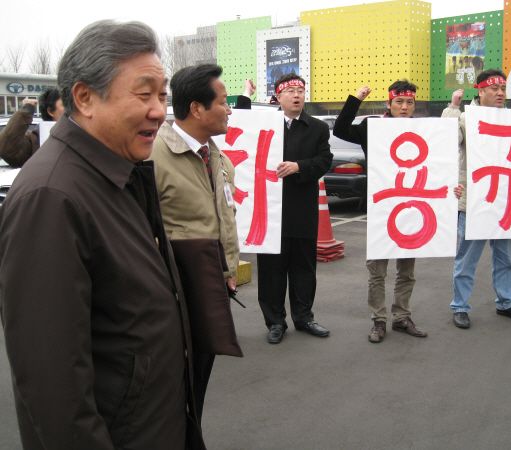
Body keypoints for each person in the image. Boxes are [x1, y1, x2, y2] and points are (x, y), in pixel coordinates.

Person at [0, 20, 206, 450]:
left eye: (162, 95)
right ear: (84, 98)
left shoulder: (118, 172)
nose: (159, 111)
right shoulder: (52, 197)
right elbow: (53, 387)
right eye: (144, 94)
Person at [149, 65, 254, 423]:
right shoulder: (152, 156)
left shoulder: (218, 158)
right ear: (196, 108)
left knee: (198, 381)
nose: (229, 110)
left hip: (213, 286)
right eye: (223, 102)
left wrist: (228, 270)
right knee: (171, 388)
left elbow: (225, 218)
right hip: (173, 293)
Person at [442, 69, 511, 329]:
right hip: (474, 203)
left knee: (505, 258)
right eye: (494, 89)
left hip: (505, 201)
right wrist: (452, 108)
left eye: (503, 89)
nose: (500, 93)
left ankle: (506, 302)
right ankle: (460, 306)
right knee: (467, 259)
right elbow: (446, 141)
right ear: (481, 90)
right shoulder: (465, 117)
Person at [333, 80, 427, 343]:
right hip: (381, 208)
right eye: (399, 102)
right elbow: (340, 129)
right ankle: (379, 320)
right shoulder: (371, 127)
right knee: (377, 270)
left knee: (407, 270)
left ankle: (402, 316)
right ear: (389, 103)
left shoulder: (423, 130)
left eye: (409, 102)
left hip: (412, 208)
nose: (404, 107)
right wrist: (356, 99)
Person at [257, 73, 333, 344]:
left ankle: (304, 317)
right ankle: (275, 321)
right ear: (278, 96)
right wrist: (244, 96)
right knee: (272, 271)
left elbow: (325, 160)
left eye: (300, 90)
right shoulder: (265, 123)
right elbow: (237, 129)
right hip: (269, 211)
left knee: (303, 269)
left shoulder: (317, 127)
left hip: (302, 208)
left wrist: (299, 166)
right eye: (290, 91)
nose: (296, 95)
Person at [0, 87, 63, 168]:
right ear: (51, 111)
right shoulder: (33, 140)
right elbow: (6, 150)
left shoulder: (77, 136)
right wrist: (26, 111)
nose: (73, 110)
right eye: (66, 104)